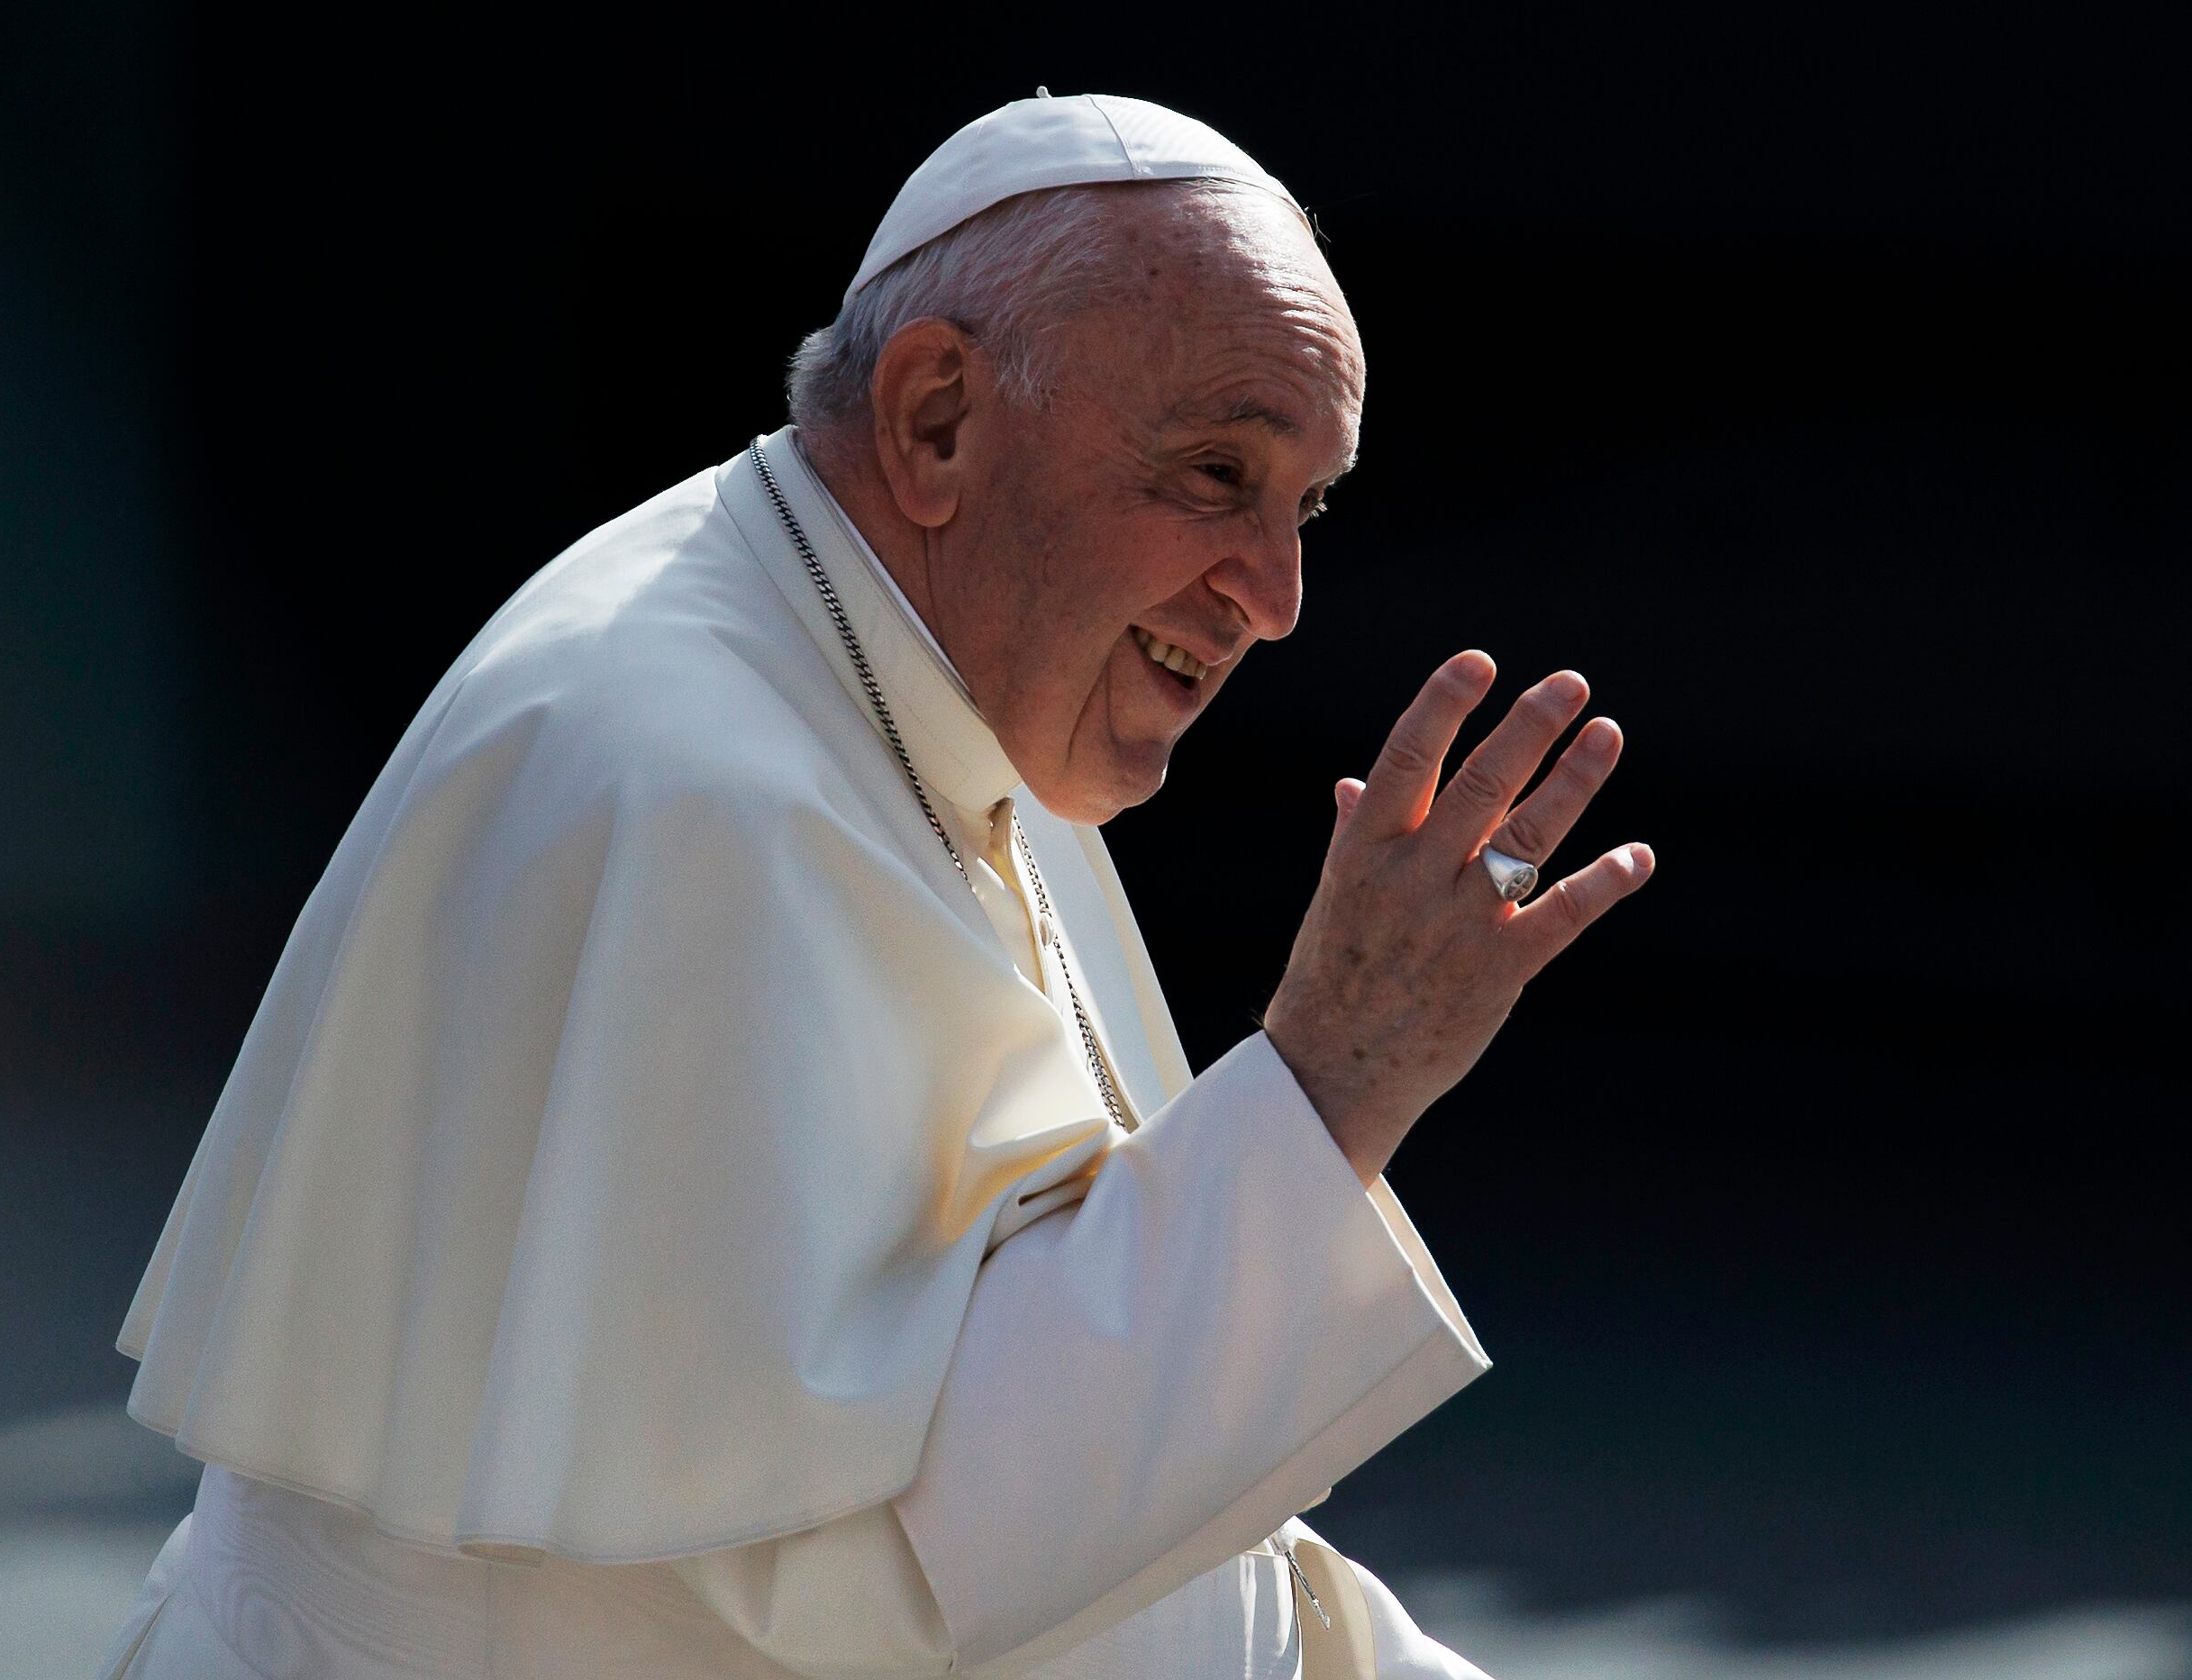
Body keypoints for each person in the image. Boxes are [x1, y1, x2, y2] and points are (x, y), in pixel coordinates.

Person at [97, 93, 1654, 1679]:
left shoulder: (910, 685)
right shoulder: (688, 783)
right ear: (933, 424)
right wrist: (1339, 1069)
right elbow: (880, 1572)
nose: (1275, 597)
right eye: (1211, 474)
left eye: (1301, 506)